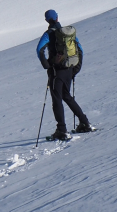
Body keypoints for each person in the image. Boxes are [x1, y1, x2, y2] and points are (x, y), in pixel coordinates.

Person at [37, 9, 93, 140]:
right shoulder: (67, 33)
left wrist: (47, 65)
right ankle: (84, 122)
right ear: (57, 18)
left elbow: (39, 49)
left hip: (56, 71)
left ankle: (61, 130)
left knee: (57, 99)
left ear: (46, 20)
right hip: (69, 69)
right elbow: (80, 49)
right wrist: (75, 69)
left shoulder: (48, 34)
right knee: (67, 96)